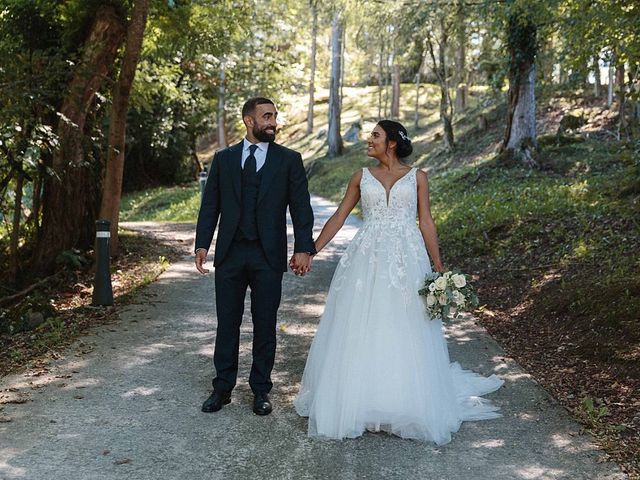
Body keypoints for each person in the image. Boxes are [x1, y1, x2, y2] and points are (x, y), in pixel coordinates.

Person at [294, 120, 503, 443]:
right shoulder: (360, 177)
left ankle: (404, 401)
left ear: (391, 142)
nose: (369, 140)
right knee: (365, 322)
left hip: (409, 259)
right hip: (367, 259)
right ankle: (361, 401)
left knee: (405, 323)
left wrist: (438, 266)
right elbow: (338, 217)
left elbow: (426, 221)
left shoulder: (419, 177)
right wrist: (310, 251)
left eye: (375, 135)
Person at [195, 97, 315, 416]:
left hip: (268, 255)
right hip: (231, 254)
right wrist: (202, 244)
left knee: (265, 324)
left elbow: (301, 208)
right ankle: (222, 388)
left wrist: (304, 247)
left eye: (274, 116)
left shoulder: (289, 160)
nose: (273, 121)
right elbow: (211, 206)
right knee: (227, 323)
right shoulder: (224, 159)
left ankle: (261, 390)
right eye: (266, 116)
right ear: (249, 121)